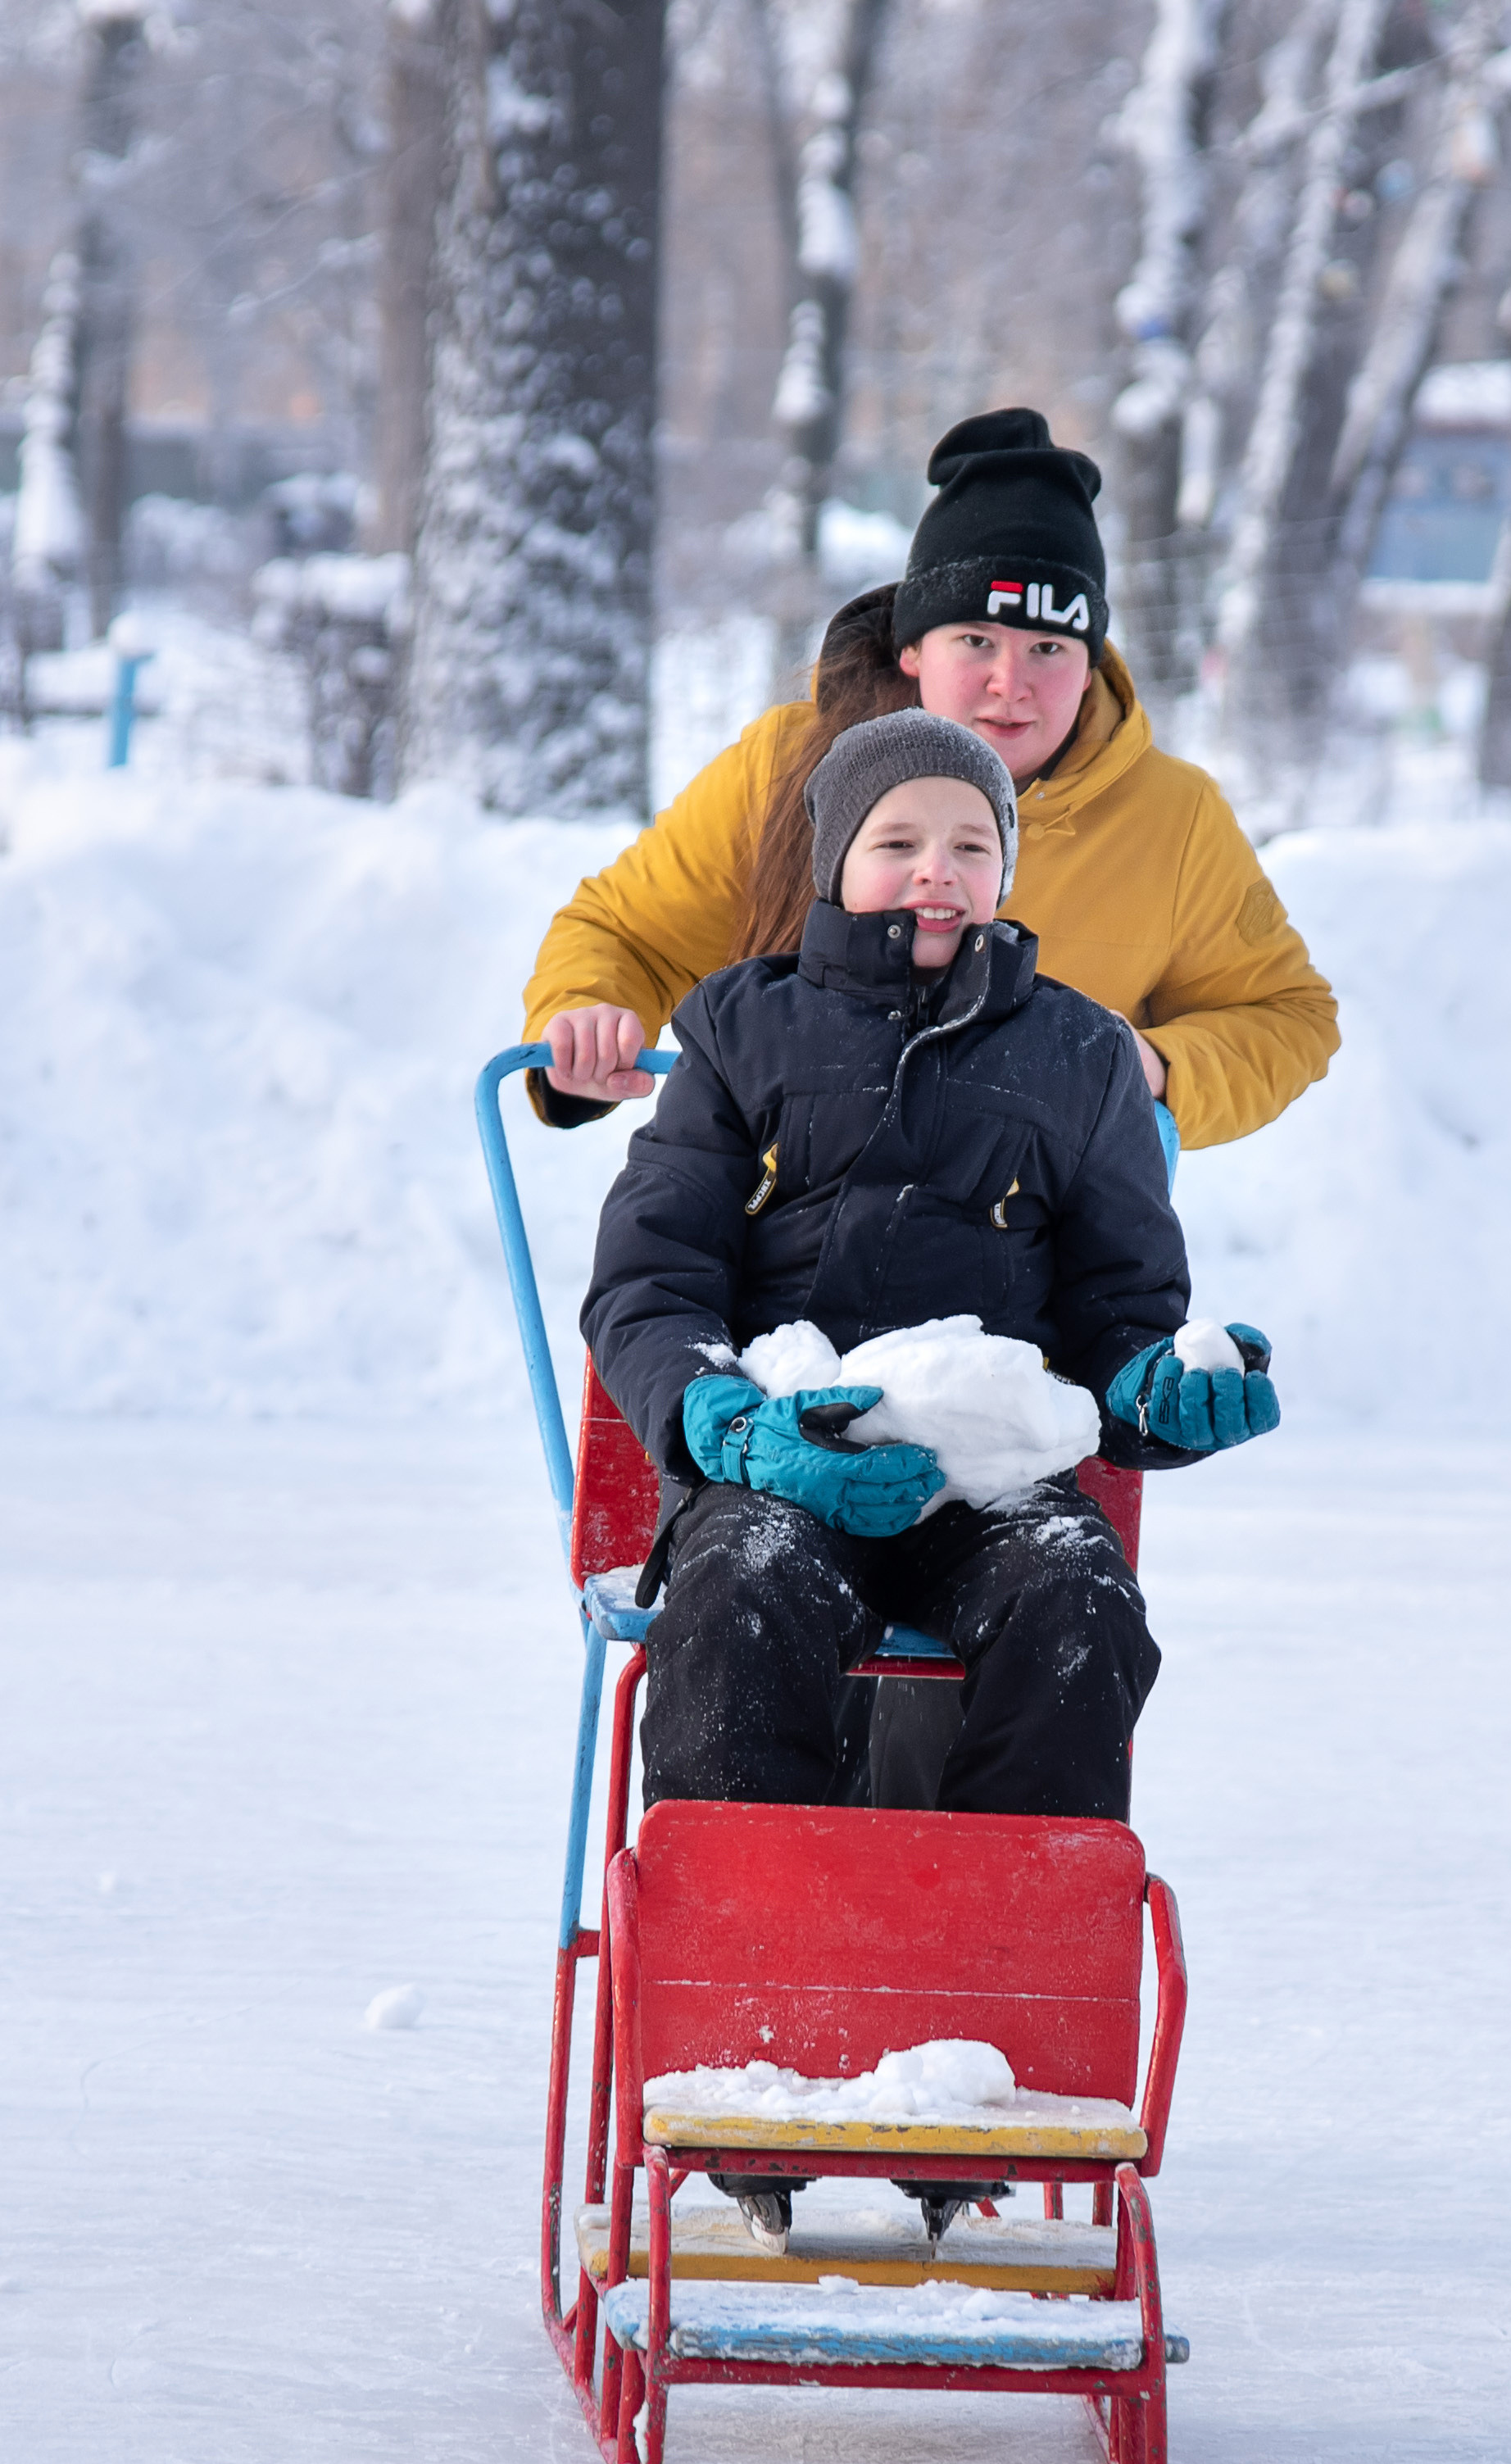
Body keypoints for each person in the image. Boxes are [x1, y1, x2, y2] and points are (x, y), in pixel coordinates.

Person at [581, 708, 1282, 1832]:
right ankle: (741, 1963)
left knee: (1079, 1602)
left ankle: (1005, 1951)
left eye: (970, 845)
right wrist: (720, 1422)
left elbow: (1118, 1309)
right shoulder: (738, 1027)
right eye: (896, 842)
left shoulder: (1083, 1053)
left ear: (1004, 865)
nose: (934, 873)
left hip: (991, 1480)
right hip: (783, 1464)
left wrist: (1157, 1390)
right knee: (741, 1596)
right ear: (837, 863)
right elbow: (648, 1276)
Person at [522, 406, 1340, 1154]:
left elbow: (1285, 1016)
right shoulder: (787, 769)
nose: (1009, 684)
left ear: (1091, 670)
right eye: (975, 642)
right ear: (913, 649)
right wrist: (584, 1017)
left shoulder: (1172, 818)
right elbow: (627, 931)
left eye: (1048, 650)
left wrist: (1154, 1063)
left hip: (1024, 1264)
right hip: (769, 1241)